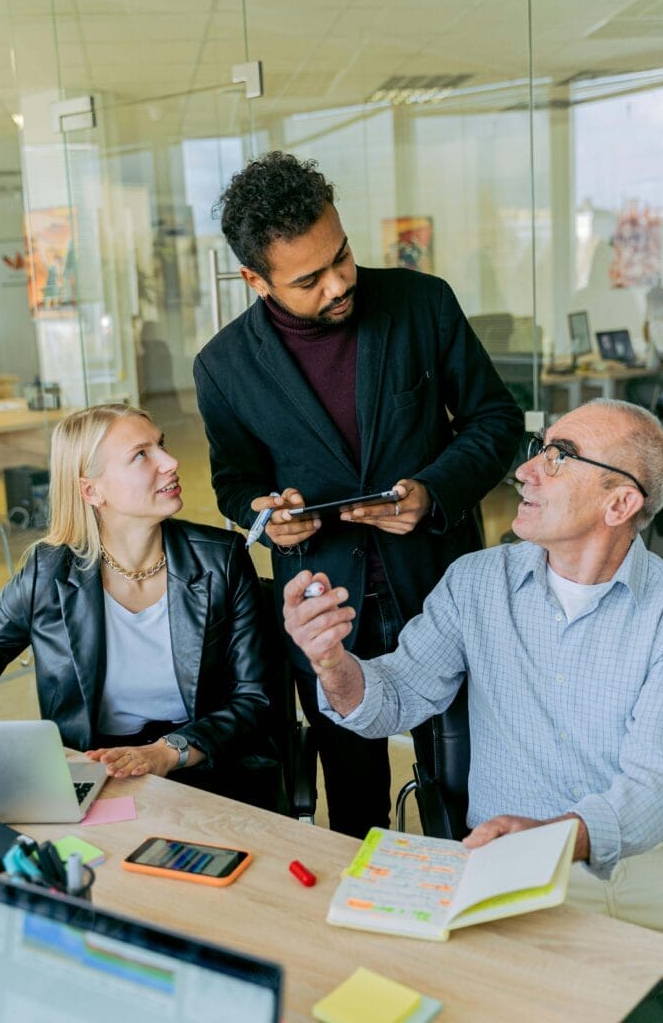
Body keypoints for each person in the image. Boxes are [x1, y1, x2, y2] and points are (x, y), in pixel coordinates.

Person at [194, 150, 524, 837]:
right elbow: (235, 481)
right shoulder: (222, 367)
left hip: (438, 581)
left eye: (341, 255)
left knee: (472, 789)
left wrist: (432, 492)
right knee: (354, 808)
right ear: (255, 280)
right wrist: (264, 516)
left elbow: (496, 421)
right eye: (309, 279)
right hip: (322, 606)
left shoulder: (422, 304)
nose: (339, 282)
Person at [282, 398, 663, 930]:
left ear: (619, 504)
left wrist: (560, 838)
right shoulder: (476, 582)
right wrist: (330, 662)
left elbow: (652, 786)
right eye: (539, 449)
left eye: (558, 457)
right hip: (501, 864)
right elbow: (394, 697)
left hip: (635, 872)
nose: (524, 472)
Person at [0, 403, 280, 811]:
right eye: (141, 454)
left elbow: (254, 699)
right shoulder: (47, 572)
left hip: (206, 768)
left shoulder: (221, 559)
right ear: (91, 491)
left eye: (161, 445)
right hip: (96, 771)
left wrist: (166, 752)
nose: (170, 462)